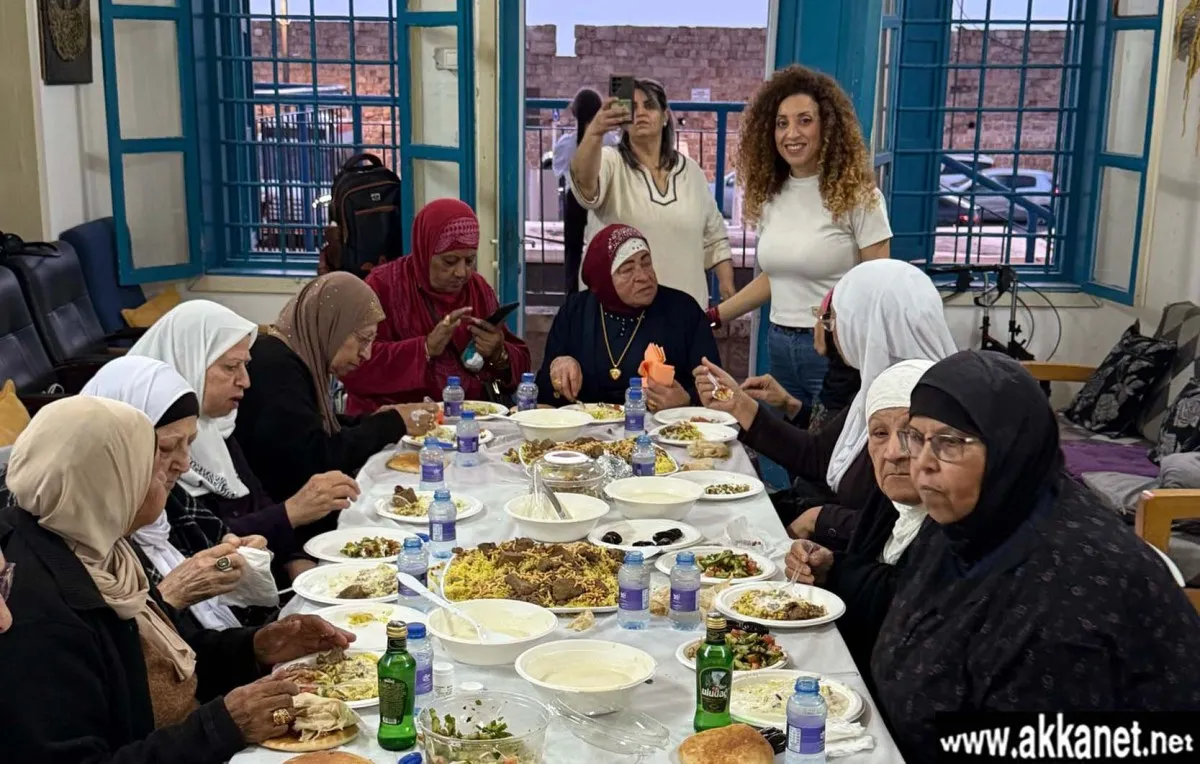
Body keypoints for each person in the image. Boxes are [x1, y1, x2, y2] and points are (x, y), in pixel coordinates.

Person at [872, 351, 1200, 760]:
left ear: (1009, 448)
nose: (920, 464)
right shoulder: (965, 520)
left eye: (949, 443)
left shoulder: (1069, 598)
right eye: (916, 437)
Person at [0, 396, 356, 763]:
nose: (180, 467)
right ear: (106, 480)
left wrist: (256, 647)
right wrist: (222, 727)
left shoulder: (101, 547)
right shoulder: (38, 610)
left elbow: (165, 660)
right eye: (148, 462)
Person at [695, 259, 957, 550]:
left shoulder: (920, 408)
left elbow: (908, 524)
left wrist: (821, 519)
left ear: (865, 325)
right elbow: (820, 456)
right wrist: (739, 405)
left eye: (833, 322)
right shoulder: (880, 385)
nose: (832, 333)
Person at [131, 300, 359, 580]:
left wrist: (294, 558)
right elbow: (201, 546)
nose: (245, 381)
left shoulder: (218, 427)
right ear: (189, 362)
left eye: (245, 366)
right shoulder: (149, 448)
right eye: (231, 367)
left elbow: (256, 500)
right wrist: (291, 512)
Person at [708, 66, 891, 411]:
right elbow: (776, 278)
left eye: (804, 120)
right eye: (782, 123)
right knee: (785, 441)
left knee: (827, 441)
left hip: (834, 350)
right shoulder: (771, 195)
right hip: (779, 344)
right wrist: (714, 316)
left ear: (828, 127)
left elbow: (878, 285)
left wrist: (833, 325)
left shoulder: (858, 196)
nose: (791, 133)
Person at [80, 356, 269, 629]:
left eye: (189, 443)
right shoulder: (82, 538)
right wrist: (171, 595)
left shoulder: (167, 496)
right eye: (167, 448)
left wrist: (241, 559)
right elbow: (112, 644)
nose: (184, 464)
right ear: (117, 448)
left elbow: (220, 545)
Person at [783, 359, 933, 672]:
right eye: (879, 433)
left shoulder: (958, 532)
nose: (893, 452)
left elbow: (907, 605)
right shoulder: (887, 505)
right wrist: (827, 565)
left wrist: (838, 572)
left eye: (911, 433)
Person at [236, 273, 435, 506]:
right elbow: (313, 460)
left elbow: (309, 425)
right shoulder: (277, 369)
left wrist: (376, 419)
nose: (367, 354)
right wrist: (389, 424)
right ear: (331, 325)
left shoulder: (293, 357)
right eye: (363, 339)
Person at [341, 199, 531, 413]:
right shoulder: (382, 287)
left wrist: (498, 353)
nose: (461, 273)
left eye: (470, 261)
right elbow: (350, 365)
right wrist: (425, 348)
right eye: (450, 261)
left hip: (471, 420)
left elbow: (521, 365)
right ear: (425, 250)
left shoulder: (477, 289)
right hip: (395, 421)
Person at [569, 78, 735, 310]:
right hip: (620, 313)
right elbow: (584, 183)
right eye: (633, 108)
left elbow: (715, 235)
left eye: (649, 106)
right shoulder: (610, 161)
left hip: (683, 312)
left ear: (665, 116)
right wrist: (595, 132)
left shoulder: (691, 172)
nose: (641, 113)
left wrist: (727, 288)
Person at [539, 223, 720, 409]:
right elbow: (543, 393)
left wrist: (687, 400)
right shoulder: (575, 311)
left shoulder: (683, 310)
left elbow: (717, 386)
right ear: (604, 279)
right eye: (627, 269)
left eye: (646, 263)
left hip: (663, 426)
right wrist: (557, 368)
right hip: (586, 426)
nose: (643, 276)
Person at [552, 87, 620, 294]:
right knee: (603, 248)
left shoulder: (565, 144)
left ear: (575, 113)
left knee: (572, 252)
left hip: (574, 199)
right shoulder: (611, 141)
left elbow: (559, 170)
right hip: (603, 198)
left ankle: (572, 296)